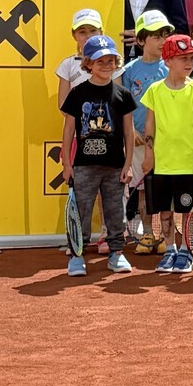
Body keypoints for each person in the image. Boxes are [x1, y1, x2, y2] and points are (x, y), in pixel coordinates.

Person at [59, 35, 136, 276]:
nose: (106, 65)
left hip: (114, 167)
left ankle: (116, 253)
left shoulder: (123, 95)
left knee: (115, 212)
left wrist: (128, 164)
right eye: (100, 60)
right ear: (88, 64)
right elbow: (69, 130)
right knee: (80, 212)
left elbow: (128, 132)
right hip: (83, 167)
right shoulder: (77, 93)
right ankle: (76, 255)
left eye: (111, 60)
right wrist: (67, 164)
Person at [140, 34, 193, 275]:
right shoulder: (154, 91)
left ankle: (185, 251)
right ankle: (170, 249)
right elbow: (149, 126)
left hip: (187, 163)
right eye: (183, 58)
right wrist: (148, 155)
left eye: (191, 58)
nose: (189, 63)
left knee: (185, 211)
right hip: (162, 163)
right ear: (167, 61)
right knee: (165, 211)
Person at [118, 10, 174, 256]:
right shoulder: (128, 71)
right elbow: (123, 106)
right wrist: (131, 130)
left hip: (166, 142)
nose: (162, 41)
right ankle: (148, 234)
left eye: (164, 35)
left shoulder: (172, 67)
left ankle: (166, 236)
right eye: (155, 36)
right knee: (143, 190)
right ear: (141, 40)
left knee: (165, 191)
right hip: (139, 142)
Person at [57, 8, 107, 107]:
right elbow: (63, 104)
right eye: (82, 32)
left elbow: (119, 100)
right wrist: (83, 119)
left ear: (101, 32)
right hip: (75, 122)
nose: (88, 36)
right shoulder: (67, 64)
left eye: (93, 31)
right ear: (74, 35)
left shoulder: (111, 62)